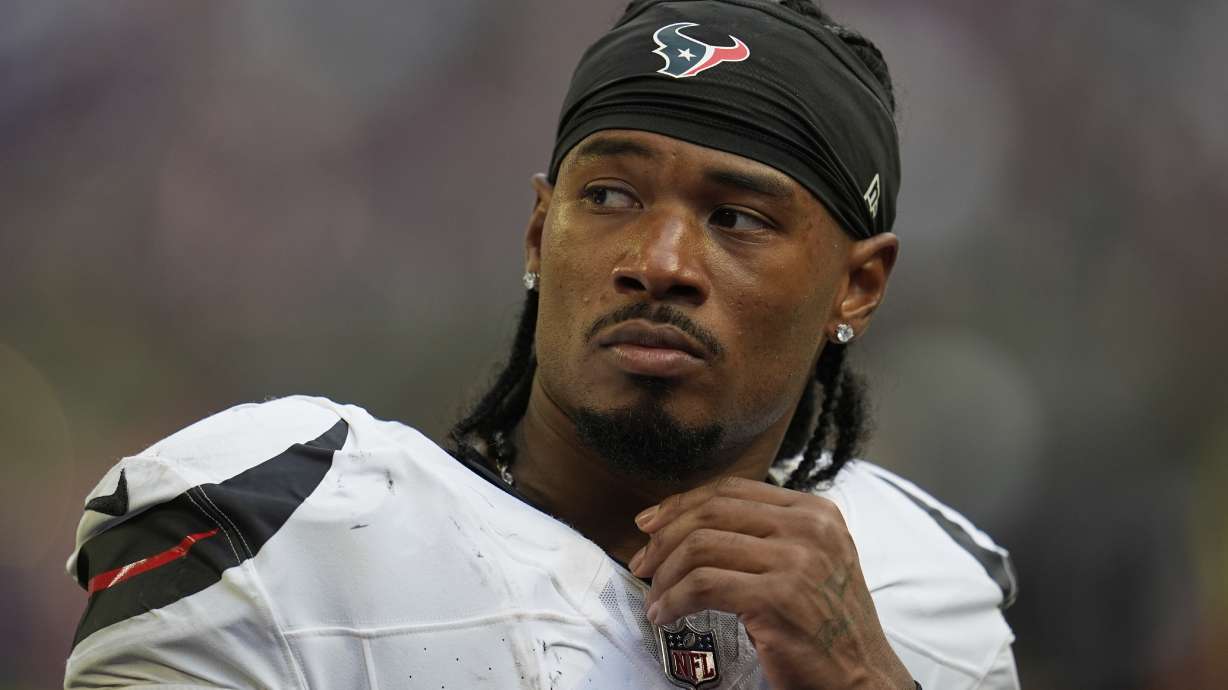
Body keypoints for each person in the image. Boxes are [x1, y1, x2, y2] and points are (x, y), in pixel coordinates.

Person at [64, 1, 1019, 688]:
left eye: (735, 218)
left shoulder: (918, 587)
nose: (660, 261)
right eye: (609, 197)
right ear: (538, 228)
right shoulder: (280, 527)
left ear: (856, 284)